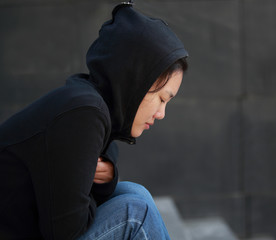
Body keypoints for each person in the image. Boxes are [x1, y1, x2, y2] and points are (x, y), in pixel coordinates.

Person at [0, 1, 188, 239]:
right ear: (135, 82)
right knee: (136, 212)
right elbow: (65, 231)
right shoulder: (83, 113)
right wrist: (88, 183)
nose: (161, 113)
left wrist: (103, 177)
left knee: (135, 193)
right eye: (161, 98)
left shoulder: (89, 104)